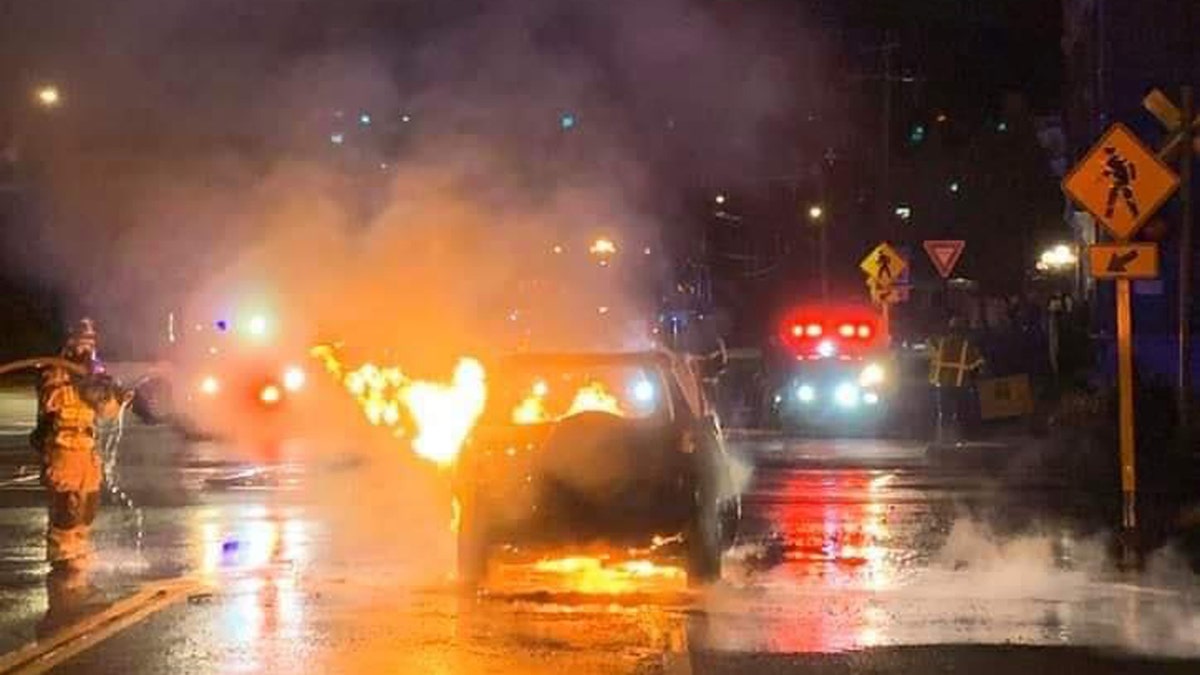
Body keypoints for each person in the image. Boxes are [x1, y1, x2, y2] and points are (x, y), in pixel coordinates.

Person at [30, 318, 128, 572]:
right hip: (63, 445)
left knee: (89, 504)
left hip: (86, 446)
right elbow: (50, 401)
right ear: (70, 342)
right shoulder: (54, 370)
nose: (86, 348)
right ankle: (61, 552)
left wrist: (110, 395)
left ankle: (80, 547)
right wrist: (77, 383)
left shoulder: (96, 372)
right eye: (81, 342)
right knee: (66, 505)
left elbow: (108, 412)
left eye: (90, 343)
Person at [928, 317, 986, 442]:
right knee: (962, 412)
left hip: (942, 384)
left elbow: (931, 356)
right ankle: (961, 438)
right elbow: (978, 363)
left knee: (944, 413)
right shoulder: (967, 346)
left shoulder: (942, 343)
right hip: (960, 384)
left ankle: (944, 438)